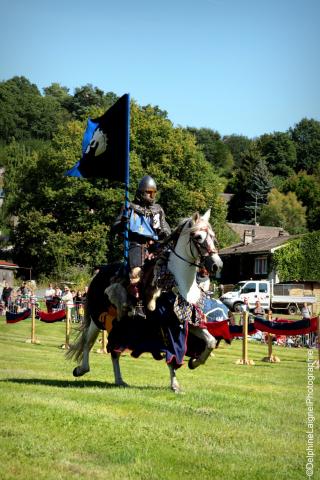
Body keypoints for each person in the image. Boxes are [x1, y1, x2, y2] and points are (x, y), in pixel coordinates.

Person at [113, 175, 171, 317]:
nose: (152, 196)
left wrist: (164, 232)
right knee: (136, 272)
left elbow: (167, 231)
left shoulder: (158, 210)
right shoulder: (129, 207)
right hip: (136, 244)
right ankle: (137, 304)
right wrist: (123, 222)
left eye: (154, 193)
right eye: (149, 192)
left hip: (155, 245)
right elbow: (114, 227)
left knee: (170, 265)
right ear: (141, 193)